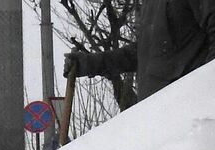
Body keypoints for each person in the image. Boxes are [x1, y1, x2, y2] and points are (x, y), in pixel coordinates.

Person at [64, 0, 215, 102]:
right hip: (156, 113)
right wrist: (91, 63)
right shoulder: (151, 4)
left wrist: (206, 91)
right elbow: (143, 53)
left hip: (190, 115)